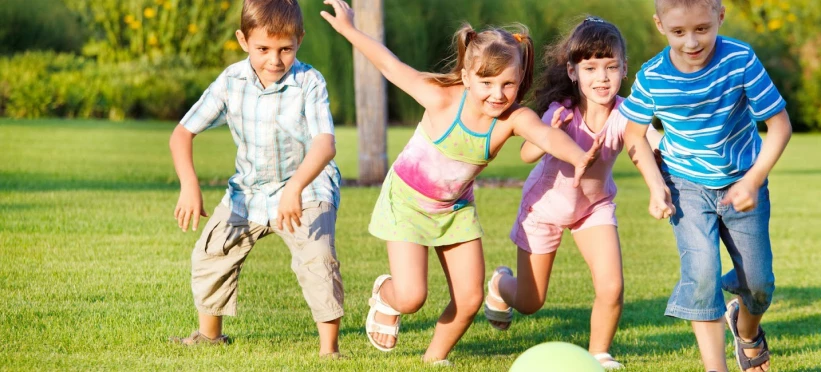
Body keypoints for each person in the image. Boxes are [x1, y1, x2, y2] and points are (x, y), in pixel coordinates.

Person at [320, 0, 602, 365]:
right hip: (407, 202)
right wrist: (348, 29)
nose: (497, 94)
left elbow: (545, 136)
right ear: (467, 76)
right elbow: (390, 65)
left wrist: (579, 156)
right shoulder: (440, 98)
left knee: (469, 299)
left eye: (508, 84)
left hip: (454, 210)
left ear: (519, 82)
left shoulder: (512, 119)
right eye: (486, 82)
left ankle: (433, 358)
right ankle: (388, 297)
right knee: (412, 296)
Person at [620, 0, 792, 371]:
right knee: (701, 276)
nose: (691, 42)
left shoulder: (740, 59)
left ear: (720, 16)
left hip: (742, 183)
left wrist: (753, 181)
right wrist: (655, 185)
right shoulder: (652, 77)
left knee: (759, 284)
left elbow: (780, 126)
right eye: (679, 31)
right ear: (660, 24)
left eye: (702, 29)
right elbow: (633, 134)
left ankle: (746, 332)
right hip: (685, 185)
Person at [168, 0, 345, 359]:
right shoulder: (231, 81)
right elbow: (182, 134)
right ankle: (209, 336)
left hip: (307, 186)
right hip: (249, 190)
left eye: (285, 49)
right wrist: (189, 184)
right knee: (212, 252)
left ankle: (330, 351)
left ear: (300, 40)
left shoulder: (309, 82)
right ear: (243, 39)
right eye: (263, 48)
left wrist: (295, 187)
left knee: (317, 257)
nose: (275, 60)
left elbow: (325, 145)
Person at [484, 16, 661, 370]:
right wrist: (547, 131)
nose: (602, 77)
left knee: (611, 286)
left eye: (611, 67)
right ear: (572, 71)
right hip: (544, 208)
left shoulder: (627, 113)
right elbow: (526, 154)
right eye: (591, 68)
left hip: (593, 208)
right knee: (530, 301)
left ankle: (599, 353)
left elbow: (649, 143)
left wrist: (666, 173)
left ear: (625, 69)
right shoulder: (560, 112)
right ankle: (500, 284)